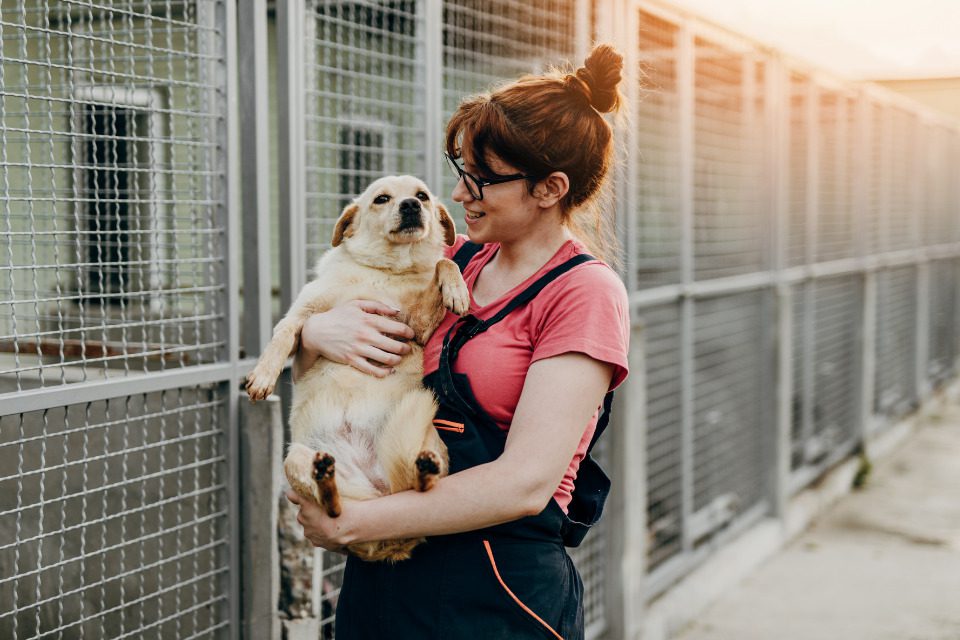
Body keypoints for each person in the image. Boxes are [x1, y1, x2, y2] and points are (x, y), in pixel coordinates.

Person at [286, 44, 630, 640]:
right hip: (387, 577)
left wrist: (352, 525)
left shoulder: (583, 293)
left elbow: (525, 483)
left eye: (483, 178)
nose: (461, 192)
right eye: (461, 169)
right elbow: (325, 373)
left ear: (549, 188)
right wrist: (314, 332)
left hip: (495, 587)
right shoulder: (450, 262)